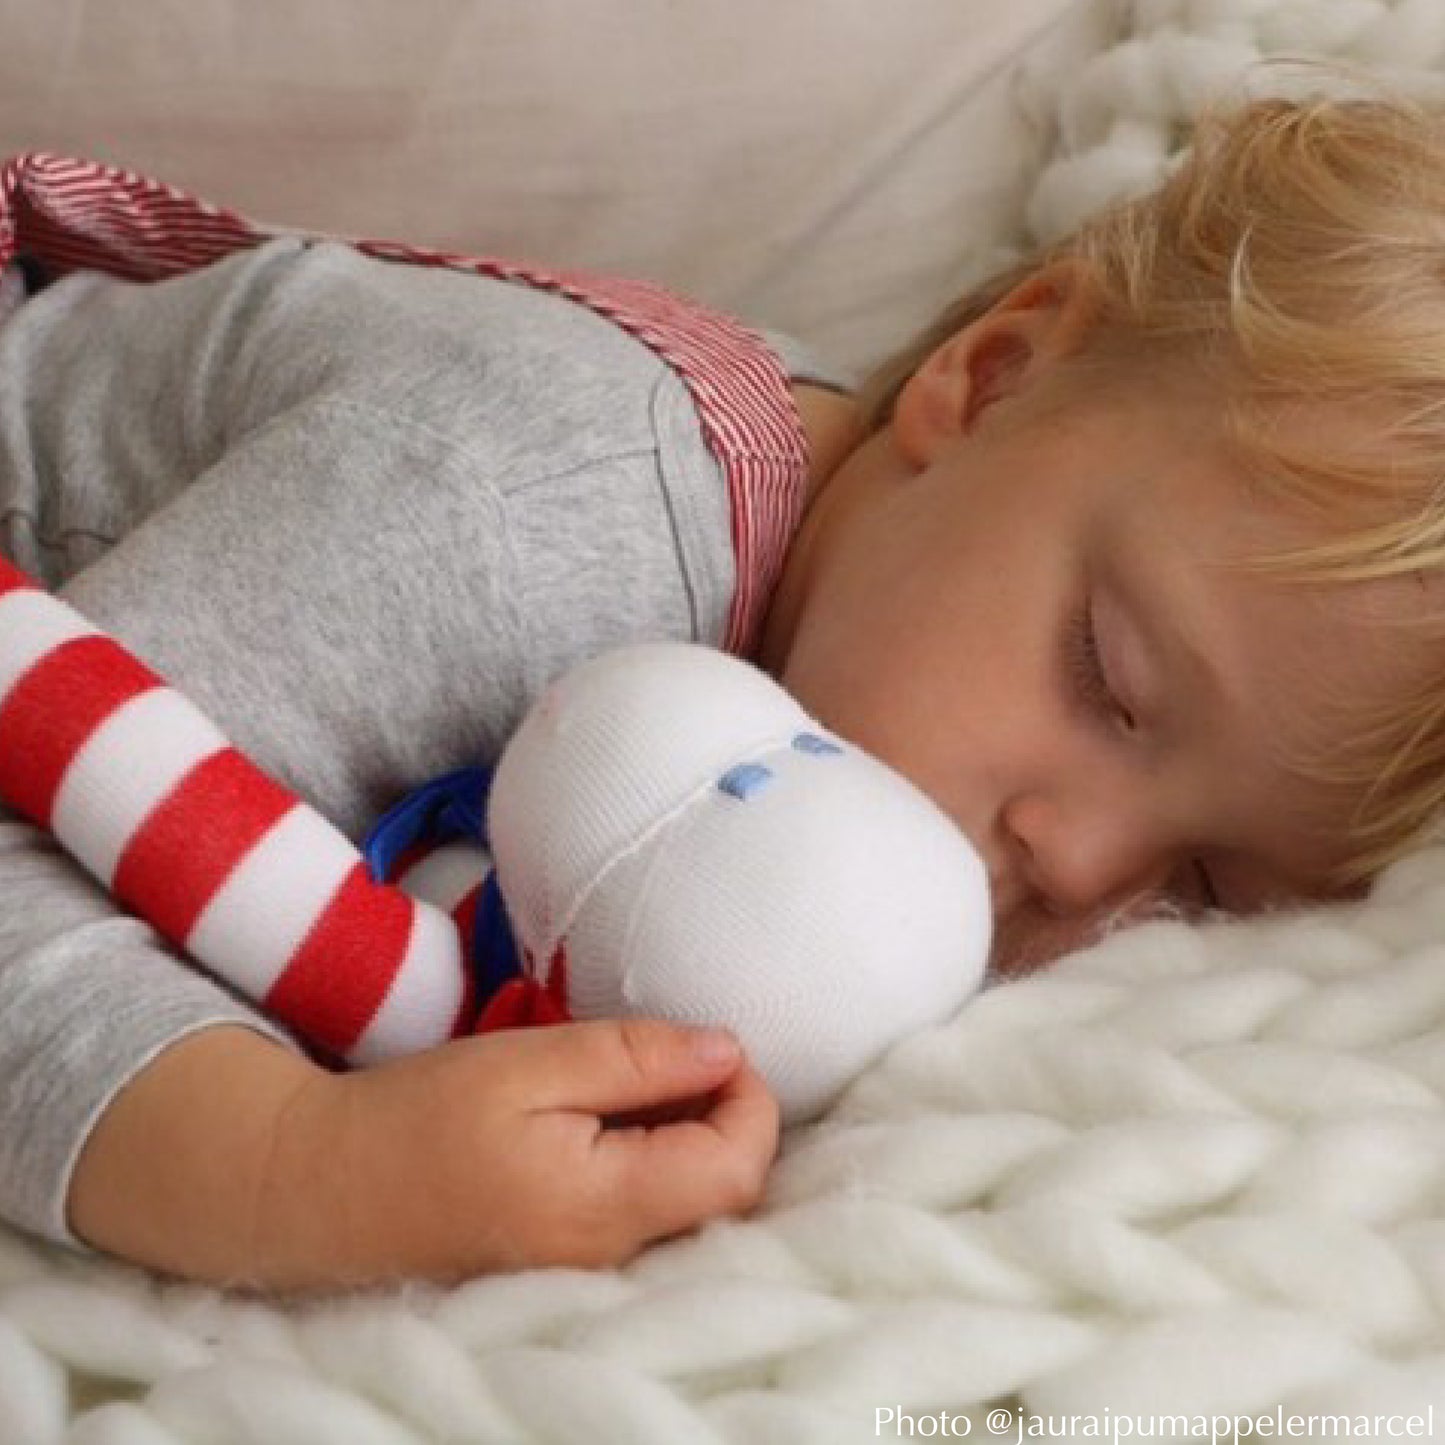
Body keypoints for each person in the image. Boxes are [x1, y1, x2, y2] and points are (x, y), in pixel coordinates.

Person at [3, 90, 1443, 1290]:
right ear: (991, 379)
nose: (1080, 864)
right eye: (1107, 680)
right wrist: (293, 1165)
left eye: (1205, 882)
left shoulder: (845, 597)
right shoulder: (527, 516)